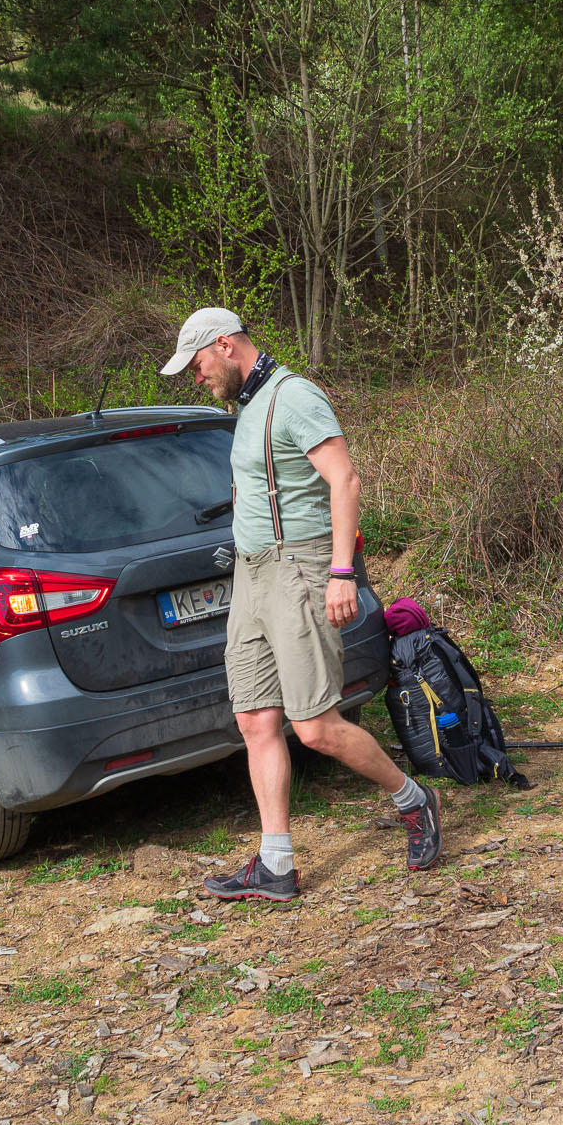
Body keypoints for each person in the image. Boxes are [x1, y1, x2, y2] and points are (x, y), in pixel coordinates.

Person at [159, 307, 441, 901]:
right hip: (253, 577)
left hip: (299, 570)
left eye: (199, 362)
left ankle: (415, 801)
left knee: (313, 727)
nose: (196, 375)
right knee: (255, 719)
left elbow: (345, 480)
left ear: (227, 346)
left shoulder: (293, 397)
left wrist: (341, 573)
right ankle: (276, 863)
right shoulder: (246, 408)